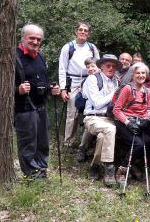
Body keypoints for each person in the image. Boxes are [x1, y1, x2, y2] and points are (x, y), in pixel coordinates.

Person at [15, 23, 60, 178]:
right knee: (28, 143)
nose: (35, 42)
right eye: (32, 38)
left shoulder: (39, 56)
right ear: (22, 38)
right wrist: (17, 90)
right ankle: (32, 175)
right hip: (23, 108)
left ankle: (41, 170)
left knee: (43, 142)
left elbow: (41, 82)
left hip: (41, 106)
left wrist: (51, 89)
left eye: (38, 39)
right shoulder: (13, 57)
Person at [58, 21, 100, 150]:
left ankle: (88, 143)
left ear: (89, 34)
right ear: (76, 31)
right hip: (74, 82)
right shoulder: (68, 47)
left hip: (90, 80)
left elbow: (98, 66)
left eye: (85, 30)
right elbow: (62, 69)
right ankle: (69, 142)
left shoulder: (92, 48)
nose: (83, 32)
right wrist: (63, 88)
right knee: (73, 113)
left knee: (92, 111)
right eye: (80, 30)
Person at [82, 54, 121, 186]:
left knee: (102, 137)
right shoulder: (93, 79)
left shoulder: (116, 81)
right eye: (108, 65)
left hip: (108, 118)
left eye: (113, 66)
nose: (111, 68)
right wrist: (115, 93)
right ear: (101, 66)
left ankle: (94, 166)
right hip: (92, 117)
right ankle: (109, 168)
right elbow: (97, 103)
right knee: (111, 129)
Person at [113, 62, 150, 186]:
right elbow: (116, 109)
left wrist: (147, 119)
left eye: (143, 73)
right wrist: (127, 122)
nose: (141, 75)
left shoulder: (148, 91)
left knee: (147, 142)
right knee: (138, 144)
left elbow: (147, 109)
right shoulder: (127, 89)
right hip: (124, 121)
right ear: (133, 75)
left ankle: (133, 165)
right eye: (138, 73)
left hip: (140, 122)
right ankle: (122, 170)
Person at [77, 57, 99, 162]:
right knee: (88, 129)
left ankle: (92, 148)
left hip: (102, 110)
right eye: (88, 67)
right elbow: (85, 95)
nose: (90, 69)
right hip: (90, 110)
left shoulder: (103, 78)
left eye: (93, 66)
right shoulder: (87, 80)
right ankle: (82, 148)